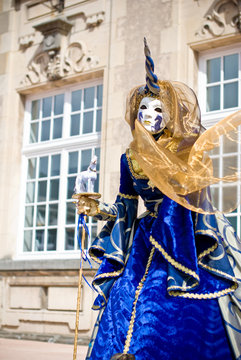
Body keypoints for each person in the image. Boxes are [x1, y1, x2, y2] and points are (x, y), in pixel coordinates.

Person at [76, 39, 241, 360]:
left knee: (175, 310)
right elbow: (126, 204)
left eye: (157, 109)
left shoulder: (189, 150)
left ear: (170, 114)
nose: (149, 114)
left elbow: (202, 194)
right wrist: (96, 209)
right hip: (144, 240)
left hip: (186, 240)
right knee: (125, 299)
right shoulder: (129, 158)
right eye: (143, 109)